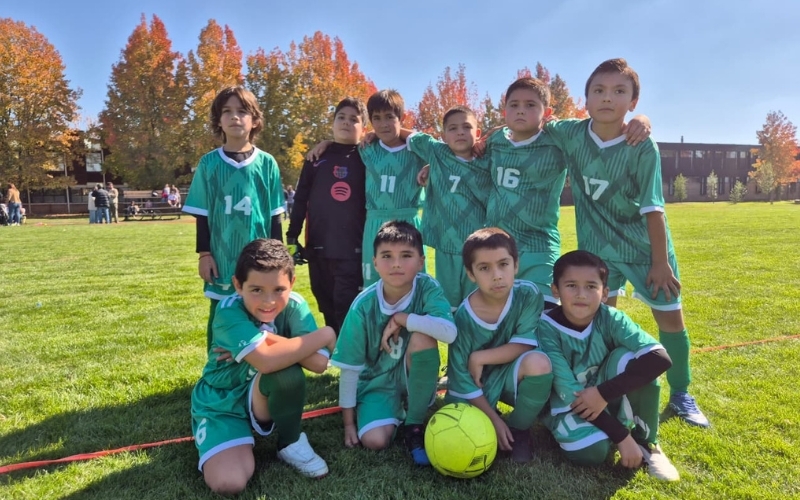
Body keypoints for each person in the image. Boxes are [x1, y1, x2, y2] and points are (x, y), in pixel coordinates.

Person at [545, 58, 708, 428]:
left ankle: (681, 392)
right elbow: (524, 125)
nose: (608, 98)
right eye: (599, 90)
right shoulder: (570, 133)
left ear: (633, 102)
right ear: (584, 99)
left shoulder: (641, 144)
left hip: (644, 249)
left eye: (620, 91)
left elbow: (654, 208)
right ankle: (605, 392)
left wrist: (660, 262)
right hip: (598, 252)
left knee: (670, 319)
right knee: (602, 323)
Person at [481, 78, 650, 308]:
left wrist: (641, 119)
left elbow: (596, 128)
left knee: (546, 316)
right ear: (505, 110)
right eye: (514, 105)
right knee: (494, 315)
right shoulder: (494, 141)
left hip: (539, 245)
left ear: (547, 112)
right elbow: (464, 158)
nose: (521, 110)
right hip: (495, 246)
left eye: (531, 105)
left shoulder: (558, 141)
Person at [191, 238, 337, 495]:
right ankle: (227, 433)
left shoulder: (296, 306)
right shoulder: (228, 310)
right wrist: (325, 334)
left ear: (291, 284)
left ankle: (290, 442)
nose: (268, 301)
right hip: (222, 400)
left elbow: (318, 363)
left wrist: (267, 342)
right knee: (229, 483)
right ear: (238, 285)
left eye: (279, 290)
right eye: (256, 290)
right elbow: (266, 360)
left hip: (262, 391)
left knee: (287, 372)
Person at [538, 250, 679, 481]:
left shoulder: (611, 317)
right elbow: (570, 393)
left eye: (591, 286)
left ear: (604, 293)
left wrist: (602, 393)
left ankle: (647, 443)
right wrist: (621, 437)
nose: (581, 294)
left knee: (635, 360)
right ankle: (585, 427)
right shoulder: (546, 327)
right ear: (556, 290)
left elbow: (660, 358)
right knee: (592, 451)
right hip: (565, 402)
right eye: (571, 285)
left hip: (602, 392)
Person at [330, 220, 456, 465]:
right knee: (374, 441)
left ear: (421, 261)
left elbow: (448, 333)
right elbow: (350, 367)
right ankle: (392, 411)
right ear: (375, 262)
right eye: (387, 256)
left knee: (422, 336)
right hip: (377, 384)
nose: (396, 263)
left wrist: (403, 318)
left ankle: (414, 425)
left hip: (414, 374)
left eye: (406, 255)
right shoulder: (363, 305)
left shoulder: (427, 288)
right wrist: (348, 423)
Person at [183, 86, 286, 350]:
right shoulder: (209, 164)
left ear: (254, 120)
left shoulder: (267, 163)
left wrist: (280, 261)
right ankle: (216, 374)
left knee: (263, 312)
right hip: (222, 257)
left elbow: (275, 216)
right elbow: (202, 215)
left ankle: (261, 368)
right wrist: (205, 254)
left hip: (261, 259)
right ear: (218, 120)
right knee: (222, 313)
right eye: (227, 112)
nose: (235, 117)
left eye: (242, 111)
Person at [445, 228, 553, 463]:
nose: (496, 275)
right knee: (459, 432)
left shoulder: (528, 294)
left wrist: (480, 357)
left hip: (511, 375)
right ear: (470, 274)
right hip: (475, 386)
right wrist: (492, 420)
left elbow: (524, 344)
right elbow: (461, 376)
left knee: (540, 363)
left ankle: (518, 429)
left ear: (516, 265)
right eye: (484, 268)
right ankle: (493, 417)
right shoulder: (463, 318)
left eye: (503, 264)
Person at [308, 89, 427, 287]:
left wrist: (430, 164)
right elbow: (345, 146)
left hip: (409, 222)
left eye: (390, 117)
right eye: (377, 118)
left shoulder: (417, 150)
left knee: (412, 283)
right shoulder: (367, 149)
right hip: (375, 223)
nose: (383, 124)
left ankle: (410, 318)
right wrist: (327, 143)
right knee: (375, 284)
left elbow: (444, 154)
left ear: (402, 117)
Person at [286, 97, 368, 335]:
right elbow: (300, 200)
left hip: (353, 248)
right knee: (324, 300)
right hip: (318, 247)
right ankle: (335, 349)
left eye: (354, 119)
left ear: (364, 127)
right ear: (332, 123)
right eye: (341, 117)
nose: (346, 123)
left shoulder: (369, 157)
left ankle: (348, 356)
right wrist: (292, 237)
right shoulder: (315, 159)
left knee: (346, 302)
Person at [400, 105, 493, 309]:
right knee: (450, 307)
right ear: (443, 135)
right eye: (452, 128)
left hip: (477, 248)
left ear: (477, 133)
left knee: (478, 306)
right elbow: (403, 132)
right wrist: (370, 133)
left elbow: (509, 132)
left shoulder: (488, 159)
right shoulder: (436, 152)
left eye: (466, 126)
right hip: (446, 246)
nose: (460, 131)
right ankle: (455, 342)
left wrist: (487, 140)